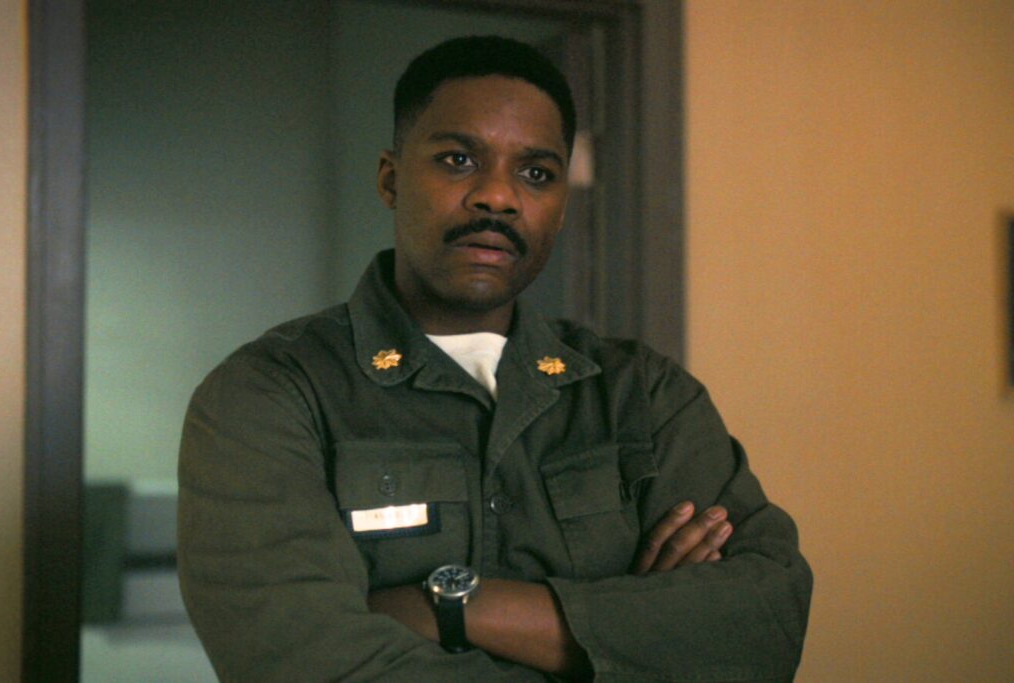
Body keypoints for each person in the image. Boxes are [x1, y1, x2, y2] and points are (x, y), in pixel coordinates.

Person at [177, 35, 812, 682]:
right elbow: (305, 662)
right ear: (391, 179)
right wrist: (635, 641)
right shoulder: (269, 394)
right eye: (458, 160)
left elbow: (766, 623)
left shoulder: (643, 394)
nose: (498, 197)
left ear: (560, 206)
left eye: (536, 174)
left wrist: (455, 607)